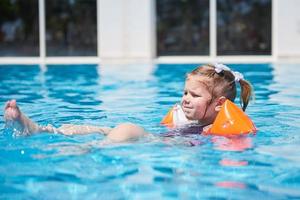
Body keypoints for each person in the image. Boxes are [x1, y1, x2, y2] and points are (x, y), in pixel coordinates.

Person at [3, 63, 253, 143]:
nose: (185, 99)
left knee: (125, 130)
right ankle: (38, 129)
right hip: (157, 138)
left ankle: (85, 149)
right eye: (185, 92)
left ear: (219, 104)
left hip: (154, 142)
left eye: (194, 95)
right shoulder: (185, 118)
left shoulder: (223, 132)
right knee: (91, 128)